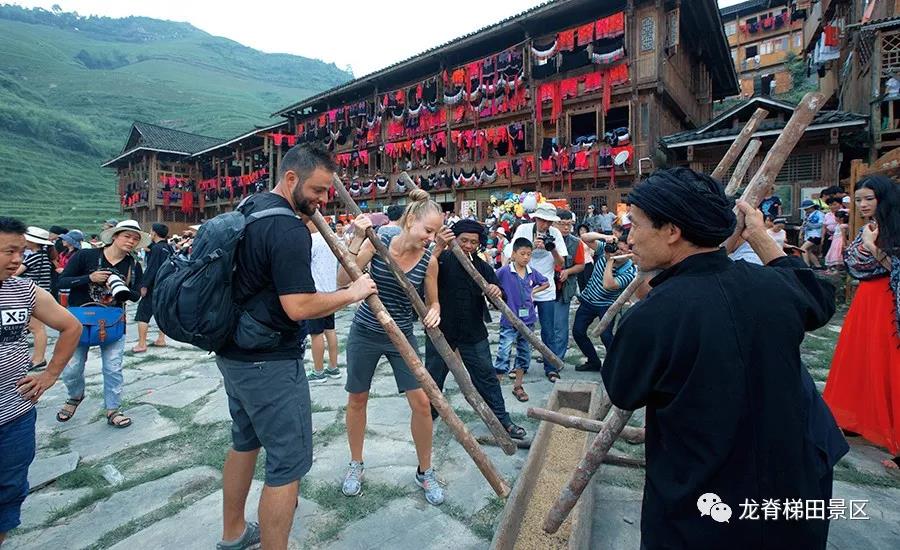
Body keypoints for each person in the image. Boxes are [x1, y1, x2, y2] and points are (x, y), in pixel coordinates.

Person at [601, 168, 846, 549]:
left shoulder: (653, 315)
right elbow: (817, 297)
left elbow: (623, 390)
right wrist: (759, 236)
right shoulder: (772, 285)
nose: (629, 237)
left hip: (704, 506)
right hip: (795, 487)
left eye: (635, 224)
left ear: (672, 231)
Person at [215, 145, 376, 550]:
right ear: (291, 179)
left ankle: (233, 533)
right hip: (269, 362)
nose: (322, 200)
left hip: (234, 353)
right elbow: (299, 305)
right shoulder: (287, 228)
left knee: (244, 442)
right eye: (318, 190)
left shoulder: (250, 208)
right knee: (287, 465)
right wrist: (352, 292)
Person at [337, 189, 444, 506]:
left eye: (435, 233)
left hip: (402, 336)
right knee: (357, 398)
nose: (431, 238)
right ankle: (355, 464)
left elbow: (433, 301)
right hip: (366, 331)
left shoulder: (429, 261)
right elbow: (343, 279)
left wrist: (435, 310)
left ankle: (425, 471)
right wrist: (357, 238)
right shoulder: (378, 240)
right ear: (411, 221)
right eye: (428, 230)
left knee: (422, 403)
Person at [0, 217, 81, 546]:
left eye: (21, 251)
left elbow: (71, 326)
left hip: (14, 416)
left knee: (8, 493)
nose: (18, 259)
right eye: (9, 251)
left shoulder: (23, 290)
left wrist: (49, 375)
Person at [824, 175, 900, 471]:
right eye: (858, 200)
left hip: (888, 302)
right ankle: (857, 419)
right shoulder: (869, 227)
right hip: (867, 299)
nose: (863, 204)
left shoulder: (893, 228)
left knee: (888, 364)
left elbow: (895, 266)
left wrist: (871, 245)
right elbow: (854, 263)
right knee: (860, 359)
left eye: (869, 198)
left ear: (884, 198)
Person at [425, 220, 526, 439]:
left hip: (473, 331)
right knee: (433, 376)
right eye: (464, 241)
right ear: (454, 239)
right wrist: (438, 247)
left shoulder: (482, 266)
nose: (469, 246)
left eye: (473, 242)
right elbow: (422, 274)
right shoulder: (439, 259)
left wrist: (496, 290)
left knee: (486, 376)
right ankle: (427, 415)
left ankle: (502, 420)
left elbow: (500, 294)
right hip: (440, 330)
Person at [57, 220, 146, 430]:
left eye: (135, 239)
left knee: (113, 368)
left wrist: (123, 289)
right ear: (114, 236)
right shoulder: (86, 256)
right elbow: (61, 281)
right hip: (79, 321)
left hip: (113, 321)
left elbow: (136, 295)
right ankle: (75, 396)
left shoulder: (133, 265)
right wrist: (89, 277)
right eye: (127, 236)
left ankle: (113, 409)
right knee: (72, 368)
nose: (131, 241)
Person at [503, 203, 567, 382]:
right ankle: (520, 366)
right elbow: (511, 254)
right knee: (523, 329)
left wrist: (551, 248)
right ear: (536, 218)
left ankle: (551, 368)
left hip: (546, 289)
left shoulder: (555, 234)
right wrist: (530, 247)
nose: (545, 225)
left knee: (548, 330)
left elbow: (561, 263)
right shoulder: (523, 230)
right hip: (524, 288)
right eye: (542, 221)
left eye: (549, 222)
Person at [494, 238, 549, 402]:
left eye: (529, 254)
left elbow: (545, 283)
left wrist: (533, 292)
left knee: (524, 353)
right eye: (522, 253)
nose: (526, 257)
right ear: (513, 254)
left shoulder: (532, 272)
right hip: (509, 320)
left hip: (528, 320)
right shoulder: (505, 271)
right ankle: (494, 389)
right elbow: (491, 282)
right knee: (503, 352)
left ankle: (518, 386)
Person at [573, 231, 636, 371]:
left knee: (606, 336)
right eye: (617, 247)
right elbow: (584, 238)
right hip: (588, 300)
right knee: (578, 332)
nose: (617, 251)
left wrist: (609, 261)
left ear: (630, 253)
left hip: (607, 305)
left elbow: (608, 284)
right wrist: (605, 237)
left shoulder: (630, 271)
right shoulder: (607, 249)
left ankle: (617, 365)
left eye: (622, 250)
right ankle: (593, 362)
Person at [305, 218, 342, 383]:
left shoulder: (311, 241)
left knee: (316, 333)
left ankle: (318, 371)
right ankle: (333, 367)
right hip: (330, 290)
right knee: (330, 330)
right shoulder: (330, 238)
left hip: (316, 292)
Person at [15, 228, 55, 370]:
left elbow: (16, 272)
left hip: (32, 295)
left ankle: (39, 358)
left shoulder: (34, 257)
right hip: (41, 294)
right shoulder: (44, 256)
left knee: (36, 328)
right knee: (35, 327)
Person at [133, 223, 173, 353]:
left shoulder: (156, 249)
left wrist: (144, 285)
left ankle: (142, 343)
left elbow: (152, 269)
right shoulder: (168, 248)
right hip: (166, 285)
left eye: (151, 231)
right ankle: (161, 339)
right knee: (162, 313)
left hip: (154, 286)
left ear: (154, 233)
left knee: (143, 314)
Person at [551, 210, 585, 360]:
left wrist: (568, 271)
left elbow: (581, 265)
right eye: (562, 224)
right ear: (554, 224)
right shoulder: (547, 239)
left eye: (568, 224)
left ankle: (558, 356)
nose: (566, 228)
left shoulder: (576, 242)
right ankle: (548, 352)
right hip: (546, 287)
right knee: (548, 324)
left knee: (560, 324)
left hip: (564, 288)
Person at [799, 199, 824, 268]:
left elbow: (821, 224)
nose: (805, 210)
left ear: (812, 207)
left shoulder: (819, 214)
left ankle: (807, 265)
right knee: (808, 251)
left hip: (816, 234)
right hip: (808, 235)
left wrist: (809, 225)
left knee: (803, 248)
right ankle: (818, 265)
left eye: (806, 208)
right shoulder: (807, 215)